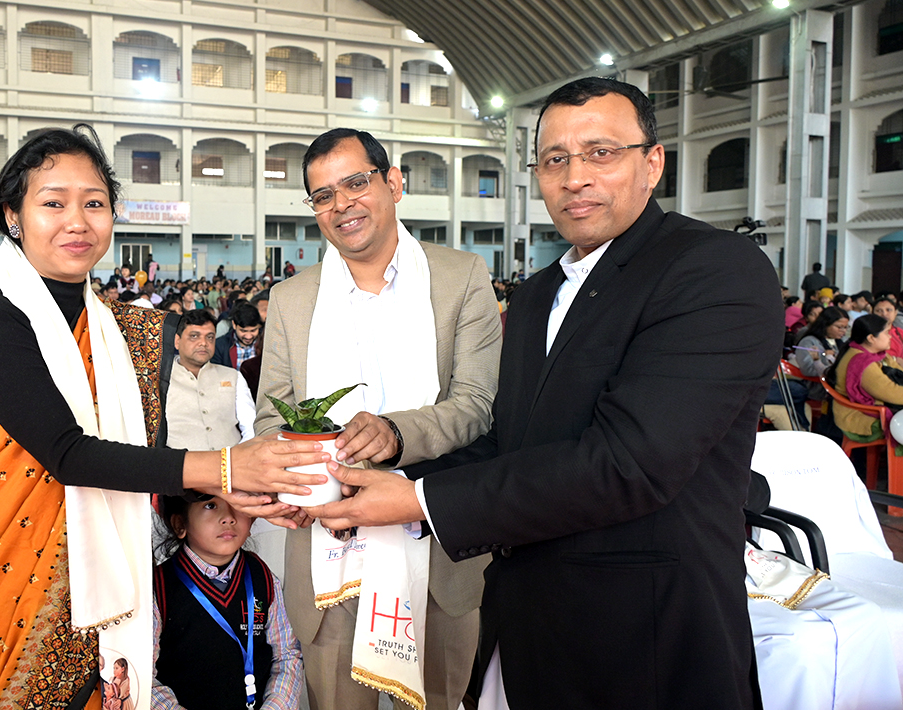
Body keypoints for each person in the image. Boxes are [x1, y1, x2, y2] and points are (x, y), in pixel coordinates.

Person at [308, 78, 783, 710]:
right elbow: (511, 441)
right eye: (555, 159)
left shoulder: (710, 269)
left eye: (600, 153)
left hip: (644, 634)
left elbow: (630, 464)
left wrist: (419, 500)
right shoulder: (537, 295)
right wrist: (384, 483)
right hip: (529, 623)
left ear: (652, 163)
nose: (575, 177)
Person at [0, 125, 328, 709]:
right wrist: (226, 467)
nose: (77, 221)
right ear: (13, 215)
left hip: (104, 572)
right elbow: (68, 455)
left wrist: (243, 492)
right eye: (53, 203)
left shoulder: (123, 329)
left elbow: (142, 460)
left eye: (94, 203)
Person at [251, 128, 501, 710]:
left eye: (356, 183)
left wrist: (395, 433)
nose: (342, 205)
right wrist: (296, 482)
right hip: (329, 547)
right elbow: (270, 418)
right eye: (323, 195)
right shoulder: (292, 298)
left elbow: (477, 403)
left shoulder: (461, 277)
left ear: (393, 183)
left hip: (437, 550)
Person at [152, 493, 303, 710]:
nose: (229, 518)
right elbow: (145, 679)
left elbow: (286, 656)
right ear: (180, 524)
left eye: (238, 504)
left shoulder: (262, 577)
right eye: (210, 505)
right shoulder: (158, 589)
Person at [166, 309, 255, 451]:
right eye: (194, 336)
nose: (204, 343)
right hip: (179, 462)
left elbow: (250, 426)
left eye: (210, 337)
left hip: (232, 460)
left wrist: (237, 456)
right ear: (177, 341)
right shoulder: (161, 380)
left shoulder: (233, 376)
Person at [828, 313, 903, 441]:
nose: (890, 336)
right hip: (859, 417)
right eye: (886, 333)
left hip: (873, 407)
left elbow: (899, 371)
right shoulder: (862, 363)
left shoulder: (876, 354)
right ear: (871, 338)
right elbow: (892, 393)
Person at [793, 306, 851, 401]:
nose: (843, 331)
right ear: (825, 325)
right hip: (819, 388)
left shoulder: (842, 341)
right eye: (839, 327)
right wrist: (826, 362)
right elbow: (807, 369)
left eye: (846, 327)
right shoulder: (809, 342)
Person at [212, 302, 261, 370]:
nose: (248, 336)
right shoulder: (219, 346)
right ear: (234, 325)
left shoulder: (265, 343)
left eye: (253, 331)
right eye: (243, 331)